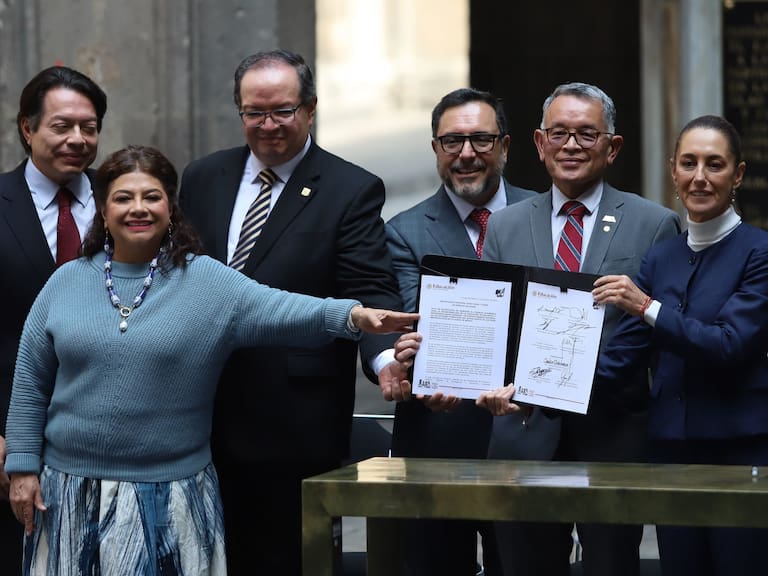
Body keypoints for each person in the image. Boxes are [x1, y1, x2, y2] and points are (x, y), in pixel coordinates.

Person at [4, 144, 417, 574]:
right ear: (103, 211)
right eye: (123, 198)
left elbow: (284, 309)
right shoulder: (65, 282)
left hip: (172, 498)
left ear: (171, 208)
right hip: (68, 493)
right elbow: (31, 382)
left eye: (152, 197)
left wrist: (352, 315)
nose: (138, 209)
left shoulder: (206, 282)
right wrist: (21, 468)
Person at [177, 49, 404, 574]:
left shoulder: (350, 189)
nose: (268, 125)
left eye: (282, 111)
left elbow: (369, 287)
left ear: (310, 108)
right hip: (197, 413)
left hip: (292, 422)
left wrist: (385, 356)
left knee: (284, 558)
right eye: (255, 112)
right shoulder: (203, 177)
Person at [477, 82, 681, 576]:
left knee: (612, 565)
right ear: (539, 143)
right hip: (523, 437)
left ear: (612, 147)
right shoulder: (503, 226)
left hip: (612, 436)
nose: (571, 145)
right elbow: (493, 328)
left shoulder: (654, 224)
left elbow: (660, 337)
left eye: (587, 134)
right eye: (560, 133)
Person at [591, 114, 768, 575]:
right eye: (688, 163)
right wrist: (533, 394)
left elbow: (729, 345)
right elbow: (619, 363)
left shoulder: (759, 253)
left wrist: (647, 307)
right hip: (671, 452)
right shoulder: (661, 257)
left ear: (739, 175)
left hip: (739, 454)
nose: (700, 177)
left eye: (715, 164)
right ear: (673, 172)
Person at [384, 87, 534, 576]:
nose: (466, 154)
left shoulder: (546, 218)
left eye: (481, 140)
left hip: (526, 437)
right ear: (435, 149)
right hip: (437, 437)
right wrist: (416, 363)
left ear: (506, 146)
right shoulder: (403, 231)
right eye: (452, 141)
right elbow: (412, 316)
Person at [0, 65, 107, 574]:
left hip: (108, 438)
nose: (77, 140)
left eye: (88, 127)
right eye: (62, 126)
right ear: (27, 128)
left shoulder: (127, 204)